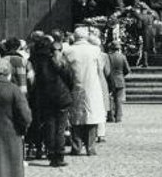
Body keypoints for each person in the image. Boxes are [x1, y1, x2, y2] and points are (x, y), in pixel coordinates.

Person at [63, 27, 107, 156]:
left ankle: (76, 146)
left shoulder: (69, 51)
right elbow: (100, 68)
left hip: (75, 85)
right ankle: (90, 147)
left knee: (76, 117)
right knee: (91, 117)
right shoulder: (95, 50)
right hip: (92, 86)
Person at [30, 36, 73, 167]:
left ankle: (51, 153)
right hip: (60, 96)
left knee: (49, 126)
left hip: (45, 97)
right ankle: (59, 155)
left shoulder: (34, 61)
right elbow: (69, 77)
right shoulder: (56, 60)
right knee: (60, 128)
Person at [106, 41, 130, 123]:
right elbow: (127, 69)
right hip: (120, 79)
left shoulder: (108, 56)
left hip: (110, 79)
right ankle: (118, 117)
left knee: (110, 98)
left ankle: (110, 116)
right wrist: (122, 75)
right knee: (119, 99)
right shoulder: (122, 57)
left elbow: (106, 68)